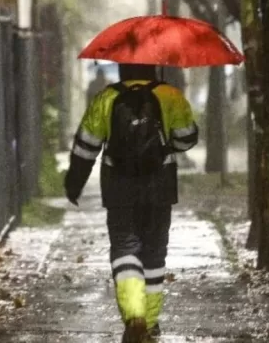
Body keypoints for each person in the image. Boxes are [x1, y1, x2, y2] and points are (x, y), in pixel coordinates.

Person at [64, 63, 198, 343]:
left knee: (125, 247)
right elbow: (187, 138)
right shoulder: (169, 94)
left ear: (123, 67)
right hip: (160, 186)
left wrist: (74, 183)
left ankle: (133, 315)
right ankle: (148, 324)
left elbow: (86, 145)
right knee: (154, 253)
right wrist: (167, 143)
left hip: (119, 186)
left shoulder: (106, 97)